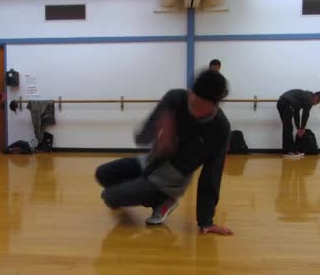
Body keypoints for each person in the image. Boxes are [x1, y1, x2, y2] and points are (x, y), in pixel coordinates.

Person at [95, 69, 233, 235]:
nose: (194, 110)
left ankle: (164, 199)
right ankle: (147, 194)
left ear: (215, 105)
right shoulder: (175, 98)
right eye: (193, 103)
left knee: (109, 197)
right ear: (190, 93)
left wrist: (206, 221)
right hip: (151, 160)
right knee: (103, 173)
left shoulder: (220, 128)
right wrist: (156, 133)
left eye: (201, 107)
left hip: (171, 178)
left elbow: (212, 174)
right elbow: (142, 136)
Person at [276, 89, 320, 158]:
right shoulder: (309, 99)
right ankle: (288, 151)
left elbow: (296, 113)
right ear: (316, 98)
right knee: (288, 128)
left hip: (281, 103)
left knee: (287, 127)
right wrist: (302, 128)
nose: (315, 104)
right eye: (317, 102)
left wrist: (299, 128)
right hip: (286, 103)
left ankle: (288, 150)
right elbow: (305, 115)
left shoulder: (303, 97)